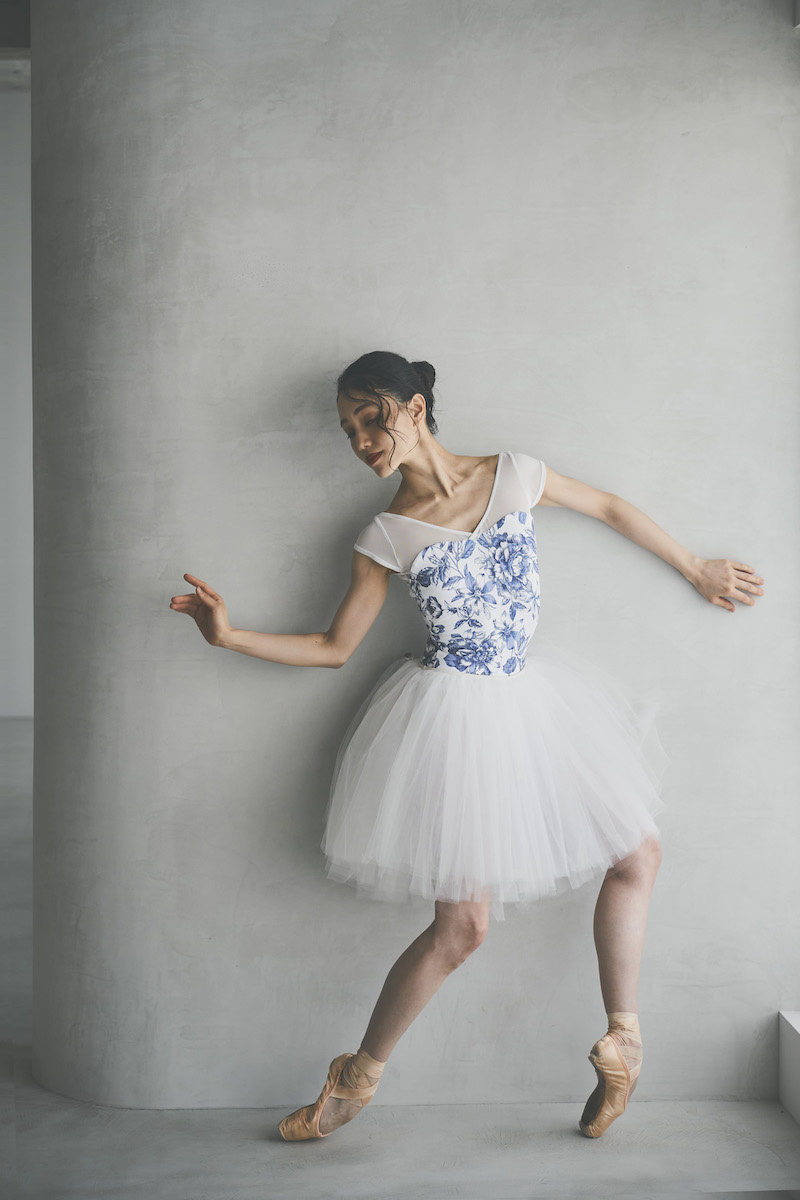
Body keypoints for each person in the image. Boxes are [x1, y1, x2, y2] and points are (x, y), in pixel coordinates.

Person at [169, 350, 765, 1141]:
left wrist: (695, 566)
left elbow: (609, 507)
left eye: (372, 418)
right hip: (453, 723)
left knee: (638, 852)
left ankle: (624, 1039)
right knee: (463, 928)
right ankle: (354, 1082)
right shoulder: (383, 534)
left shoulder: (512, 475)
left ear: (415, 408)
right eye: (349, 430)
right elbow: (334, 647)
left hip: (535, 705)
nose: (362, 440)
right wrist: (230, 636)